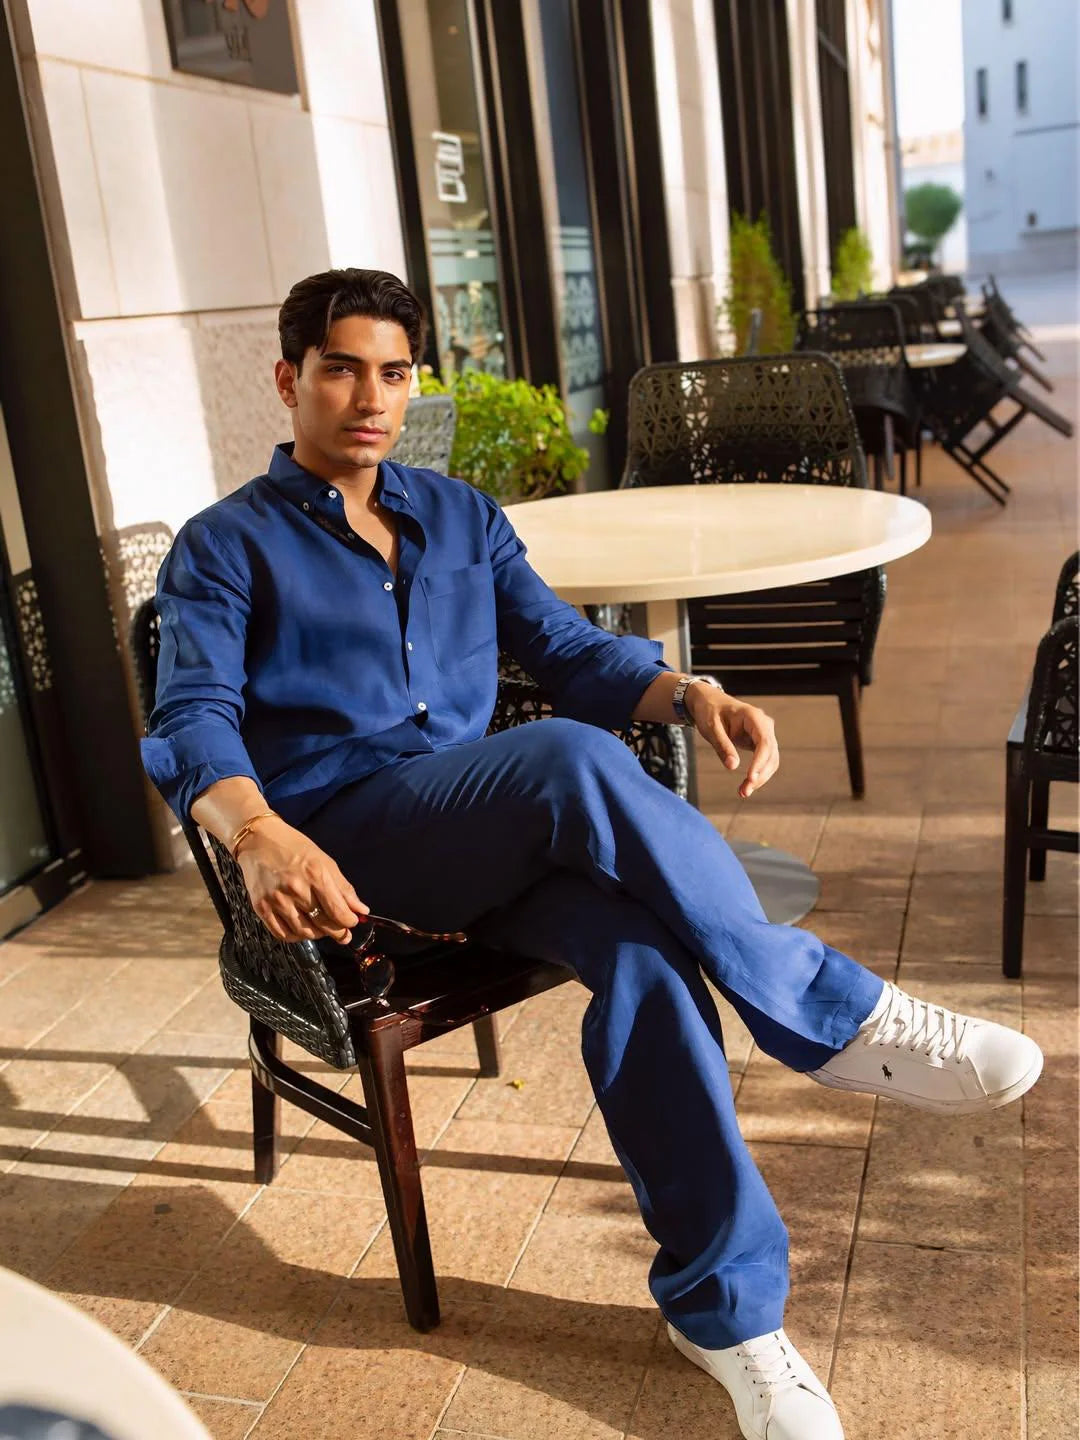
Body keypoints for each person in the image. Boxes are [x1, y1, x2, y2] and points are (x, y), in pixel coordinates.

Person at [142, 269, 1043, 1440]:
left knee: (646, 959)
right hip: (353, 853)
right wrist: (258, 833)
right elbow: (189, 719)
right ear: (289, 379)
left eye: (393, 373)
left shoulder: (460, 516)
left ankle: (727, 1318)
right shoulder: (226, 546)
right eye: (341, 370)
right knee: (566, 756)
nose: (370, 399)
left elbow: (564, 648)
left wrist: (688, 693)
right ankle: (830, 1012)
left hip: (488, 840)